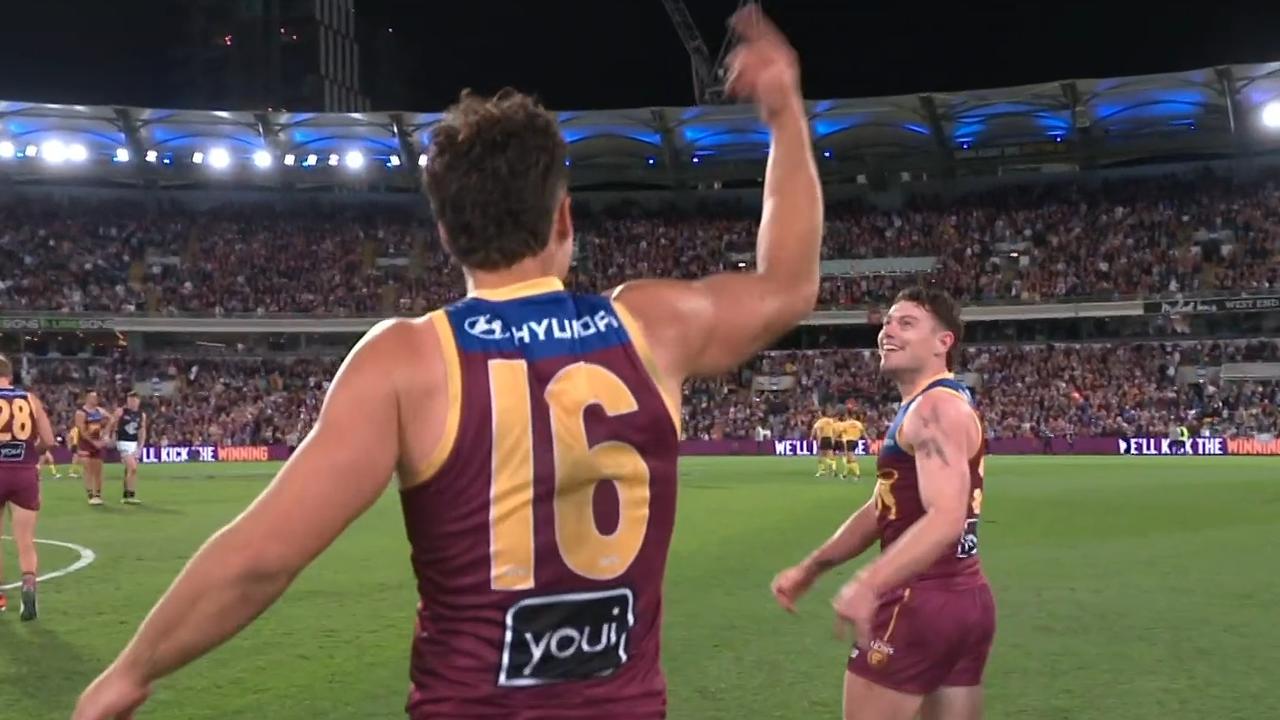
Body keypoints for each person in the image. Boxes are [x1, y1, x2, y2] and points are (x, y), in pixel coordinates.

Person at [74, 8, 822, 719]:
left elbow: (259, 558)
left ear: (444, 230)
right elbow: (788, 285)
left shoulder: (407, 360)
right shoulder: (648, 326)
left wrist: (131, 672)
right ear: (563, 217)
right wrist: (785, 113)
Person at [771, 288, 995, 720]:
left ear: (943, 342)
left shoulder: (933, 409)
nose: (888, 331)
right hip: (966, 600)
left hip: (919, 600)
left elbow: (947, 517)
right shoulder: (936, 404)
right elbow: (883, 507)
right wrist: (812, 567)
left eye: (906, 323)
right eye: (888, 322)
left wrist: (869, 583)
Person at [0, 354, 57, 621]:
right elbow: (49, 440)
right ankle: (29, 585)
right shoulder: (30, 399)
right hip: (24, 472)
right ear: (10, 375)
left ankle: (0, 598)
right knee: (25, 540)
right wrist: (32, 453)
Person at [75, 391, 110, 506]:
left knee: (98, 470)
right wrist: (94, 442)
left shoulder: (100, 411)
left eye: (96, 397)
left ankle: (98, 495)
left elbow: (112, 419)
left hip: (98, 442)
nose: (95, 399)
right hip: (86, 444)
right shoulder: (81, 413)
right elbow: (82, 431)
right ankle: (90, 494)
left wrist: (106, 434)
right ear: (87, 398)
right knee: (88, 469)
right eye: (93, 397)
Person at [112, 392, 147, 504]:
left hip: (133, 443)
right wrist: (112, 438)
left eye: (135, 400)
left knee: (130, 470)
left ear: (138, 401)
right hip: (123, 442)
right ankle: (129, 495)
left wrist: (140, 447)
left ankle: (127, 495)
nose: (132, 402)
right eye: (130, 400)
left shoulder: (141, 415)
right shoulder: (121, 412)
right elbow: (113, 425)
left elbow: (142, 431)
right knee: (133, 468)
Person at [812, 410, 839, 476]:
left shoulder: (820, 421)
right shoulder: (831, 420)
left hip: (823, 438)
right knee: (830, 455)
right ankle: (833, 470)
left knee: (820, 456)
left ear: (821, 414)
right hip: (829, 438)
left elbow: (815, 430)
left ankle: (822, 470)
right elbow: (835, 429)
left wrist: (812, 437)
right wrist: (833, 438)